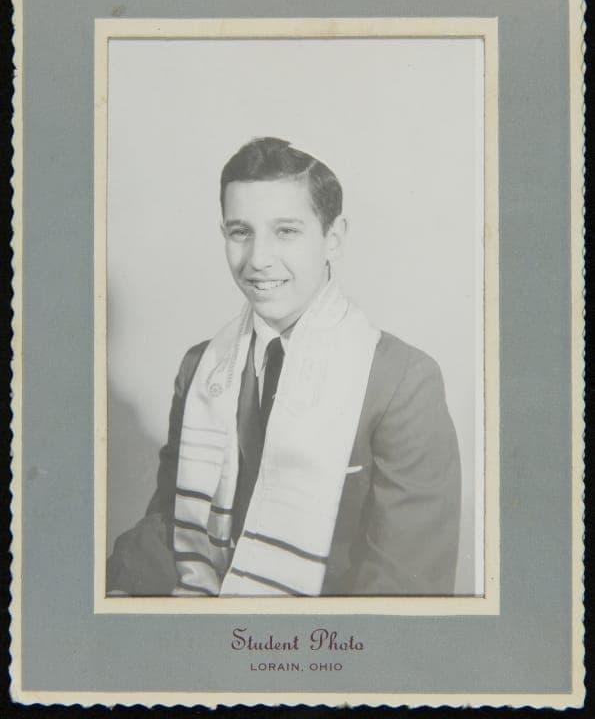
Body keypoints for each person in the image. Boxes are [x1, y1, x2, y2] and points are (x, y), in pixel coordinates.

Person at [107, 137, 461, 597]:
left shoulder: (402, 382)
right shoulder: (202, 369)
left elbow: (405, 591)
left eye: (286, 231)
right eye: (240, 232)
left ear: (333, 237)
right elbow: (173, 525)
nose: (258, 259)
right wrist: (122, 590)